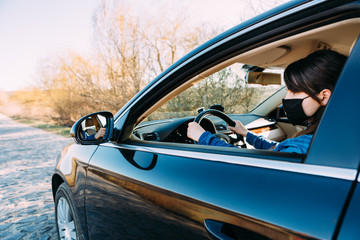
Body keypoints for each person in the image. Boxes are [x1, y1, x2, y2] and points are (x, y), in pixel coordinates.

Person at [187, 50, 347, 154]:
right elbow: (278, 151)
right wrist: (247, 134)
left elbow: (249, 166)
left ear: (324, 96)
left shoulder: (306, 145)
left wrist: (204, 137)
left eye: (294, 91)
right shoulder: (334, 135)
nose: (286, 99)